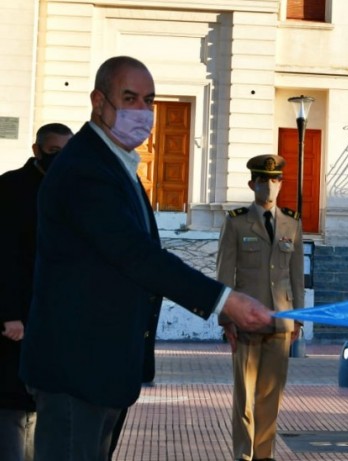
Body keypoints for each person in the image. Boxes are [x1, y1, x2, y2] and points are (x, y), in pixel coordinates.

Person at [19, 55, 273, 461]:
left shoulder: (115, 162)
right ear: (98, 101)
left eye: (149, 100)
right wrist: (224, 301)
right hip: (76, 370)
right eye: (130, 98)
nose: (142, 112)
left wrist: (222, 306)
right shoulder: (86, 167)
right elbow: (135, 255)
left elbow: (137, 259)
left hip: (102, 369)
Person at [216, 154, 305, 461]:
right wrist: (226, 319)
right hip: (245, 322)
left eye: (275, 180)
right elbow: (225, 273)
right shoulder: (237, 221)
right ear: (252, 183)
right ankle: (244, 454)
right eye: (264, 180)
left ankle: (264, 455)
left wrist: (298, 319)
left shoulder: (291, 222)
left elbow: (295, 274)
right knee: (245, 398)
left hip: (280, 321)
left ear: (281, 183)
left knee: (270, 396)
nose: (270, 186)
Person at [0, 123, 73, 461]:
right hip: (16, 321)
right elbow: (4, 255)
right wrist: (9, 314)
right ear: (37, 150)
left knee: (42, 405)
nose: (59, 159)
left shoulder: (70, 188)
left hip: (52, 317)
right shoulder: (11, 187)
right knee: (12, 407)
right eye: (53, 152)